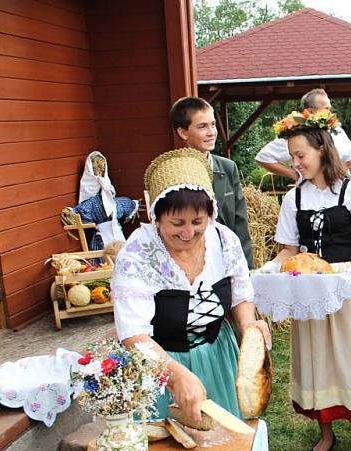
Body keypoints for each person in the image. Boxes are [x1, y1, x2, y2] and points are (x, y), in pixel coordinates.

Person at [263, 109, 351, 451]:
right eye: (292, 156)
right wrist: (272, 266)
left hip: (345, 285)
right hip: (309, 287)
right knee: (317, 358)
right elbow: (289, 249)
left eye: (300, 156)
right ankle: (325, 431)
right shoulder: (294, 198)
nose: (295, 163)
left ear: (322, 150)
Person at [112, 148, 270, 422]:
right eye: (176, 223)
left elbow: (241, 294)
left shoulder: (224, 241)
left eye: (198, 221)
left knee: (225, 443)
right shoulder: (138, 254)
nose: (188, 233)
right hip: (160, 365)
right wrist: (176, 376)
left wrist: (248, 328)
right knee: (172, 450)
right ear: (156, 217)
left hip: (220, 358)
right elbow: (133, 334)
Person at [169, 97, 253, 269]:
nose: (211, 132)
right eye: (202, 126)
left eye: (213, 124)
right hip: (191, 265)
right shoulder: (173, 172)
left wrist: (246, 267)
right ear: (183, 132)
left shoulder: (228, 168)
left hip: (228, 262)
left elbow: (240, 223)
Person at [255, 88, 351, 180]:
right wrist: (294, 175)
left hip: (344, 188)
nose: (330, 113)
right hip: (313, 194)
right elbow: (263, 157)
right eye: (326, 108)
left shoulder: (336, 129)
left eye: (330, 108)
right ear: (310, 111)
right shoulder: (298, 136)